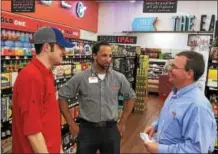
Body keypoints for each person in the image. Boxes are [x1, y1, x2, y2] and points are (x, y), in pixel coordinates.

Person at [58, 41, 136, 154]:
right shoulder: (81, 77)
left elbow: (131, 96)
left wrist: (122, 122)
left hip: (111, 129)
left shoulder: (118, 77)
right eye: (104, 55)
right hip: (87, 131)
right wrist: (71, 124)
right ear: (94, 56)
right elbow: (62, 96)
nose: (108, 59)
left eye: (110, 56)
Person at [12, 26, 73, 153]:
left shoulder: (47, 74)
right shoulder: (31, 77)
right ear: (46, 47)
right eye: (60, 47)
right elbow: (33, 131)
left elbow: (48, 118)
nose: (64, 51)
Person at [143, 51, 217, 153]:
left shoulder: (198, 106)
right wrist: (155, 125)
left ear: (189, 74)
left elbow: (196, 150)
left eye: (174, 67)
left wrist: (160, 149)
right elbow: (168, 117)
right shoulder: (175, 92)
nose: (170, 69)